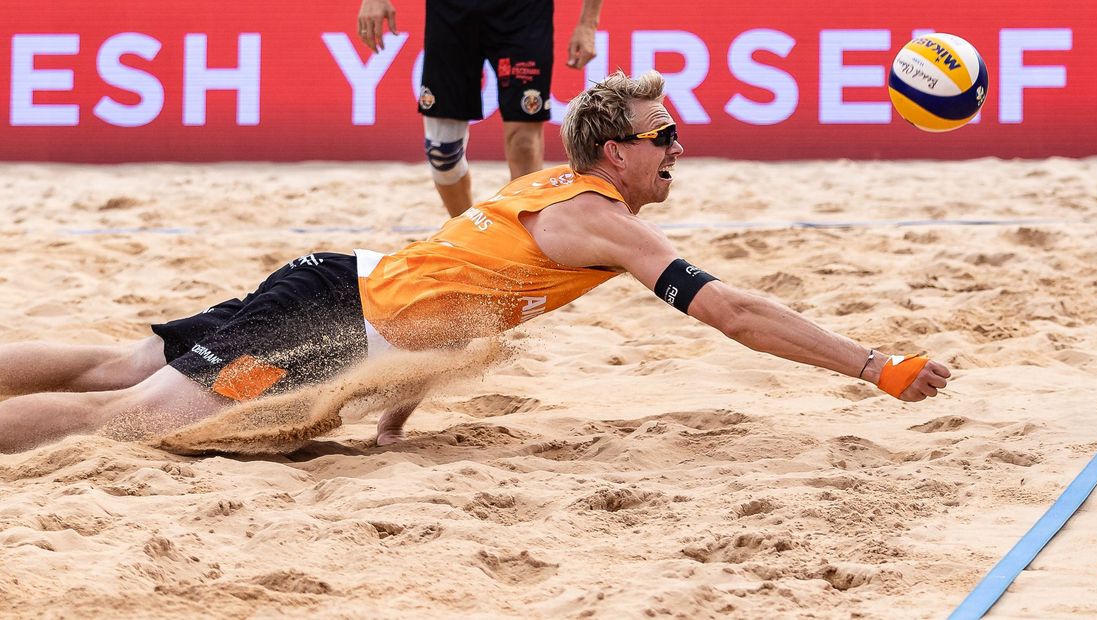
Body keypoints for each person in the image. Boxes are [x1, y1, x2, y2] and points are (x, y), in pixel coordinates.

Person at [0, 71, 951, 454]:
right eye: (665, 135)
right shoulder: (599, 218)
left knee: (114, 367)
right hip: (326, 321)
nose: (679, 149)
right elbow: (733, 313)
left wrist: (391, 423)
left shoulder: (538, 202)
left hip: (336, 284)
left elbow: (460, 310)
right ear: (614, 149)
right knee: (126, 421)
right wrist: (873, 365)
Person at [356, 0, 604, 217]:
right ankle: (468, 233)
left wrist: (588, 24)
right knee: (442, 152)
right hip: (451, 12)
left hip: (523, 14)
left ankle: (523, 239)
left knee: (524, 144)